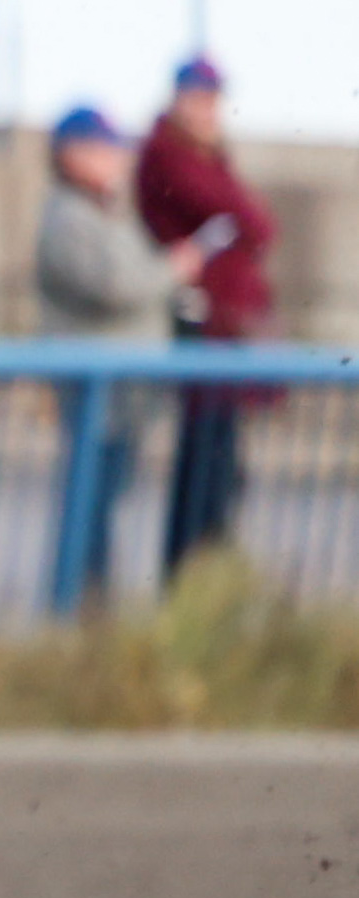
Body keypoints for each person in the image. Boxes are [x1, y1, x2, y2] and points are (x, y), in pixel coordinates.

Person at [33, 104, 197, 602]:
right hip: (96, 394)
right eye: (106, 150)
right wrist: (175, 269)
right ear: (71, 156)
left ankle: (90, 603)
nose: (119, 160)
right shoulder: (68, 218)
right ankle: (79, 604)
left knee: (104, 501)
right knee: (90, 502)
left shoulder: (108, 212)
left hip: (125, 392)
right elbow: (117, 285)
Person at [138, 55, 275, 577]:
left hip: (229, 332)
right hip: (203, 328)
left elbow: (259, 225)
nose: (208, 110)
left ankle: (210, 579)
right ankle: (187, 580)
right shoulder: (168, 155)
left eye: (214, 99)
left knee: (223, 466)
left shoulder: (207, 155)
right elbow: (250, 219)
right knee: (202, 467)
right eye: (199, 98)